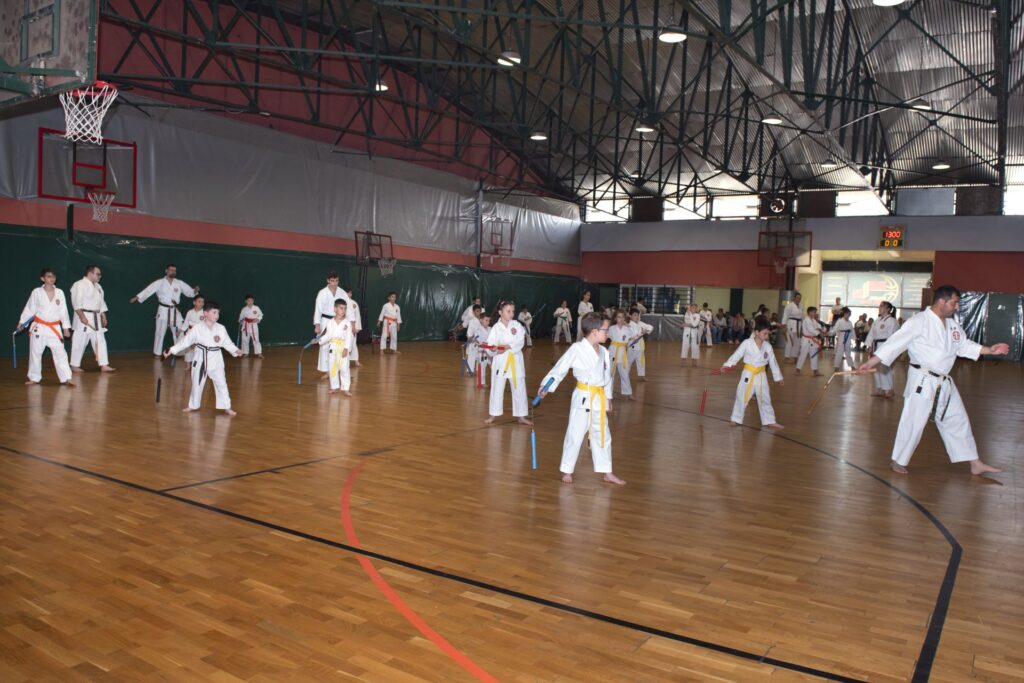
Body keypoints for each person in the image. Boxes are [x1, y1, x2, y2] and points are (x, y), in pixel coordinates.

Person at [856, 285, 1007, 475]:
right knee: (913, 421)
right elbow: (895, 342)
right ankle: (898, 460)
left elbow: (964, 346)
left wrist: (989, 349)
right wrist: (870, 362)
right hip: (922, 380)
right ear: (942, 301)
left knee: (958, 420)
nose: (957, 307)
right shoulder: (919, 321)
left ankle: (974, 463)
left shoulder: (952, 325)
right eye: (955, 302)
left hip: (944, 382)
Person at [537, 313, 626, 485]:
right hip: (583, 397)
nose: (608, 333)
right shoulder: (577, 349)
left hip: (599, 398)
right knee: (575, 434)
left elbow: (607, 377)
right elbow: (560, 368)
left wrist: (608, 398)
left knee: (603, 435)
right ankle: (567, 470)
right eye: (605, 330)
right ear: (594, 331)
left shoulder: (604, 352)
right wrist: (546, 386)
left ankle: (607, 471)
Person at [164, 300, 243, 415]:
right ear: (205, 313)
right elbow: (185, 342)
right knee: (197, 383)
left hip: (216, 358)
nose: (217, 315)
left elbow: (227, 343)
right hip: (201, 358)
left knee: (221, 383)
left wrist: (236, 350)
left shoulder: (221, 328)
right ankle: (193, 405)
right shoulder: (197, 328)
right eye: (214, 312)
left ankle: (226, 406)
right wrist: (171, 350)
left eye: (218, 313)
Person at [722, 317, 784, 429]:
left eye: (768, 334)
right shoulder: (747, 343)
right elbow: (737, 355)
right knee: (742, 396)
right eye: (765, 333)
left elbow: (773, 362)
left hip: (761, 375)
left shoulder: (768, 347)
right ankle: (736, 418)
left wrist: (778, 377)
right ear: (757, 332)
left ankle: (769, 420)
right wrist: (727, 365)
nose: (767, 336)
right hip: (748, 374)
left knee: (765, 398)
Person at [17, 267, 73, 386]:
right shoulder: (37, 292)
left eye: (53, 276)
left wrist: (66, 327)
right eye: (49, 276)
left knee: (61, 353)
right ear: (42, 279)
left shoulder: (60, 292)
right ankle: (34, 378)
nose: (52, 278)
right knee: (35, 353)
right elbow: (29, 308)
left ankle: (66, 377)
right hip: (39, 327)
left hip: (54, 328)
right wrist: (22, 322)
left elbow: (63, 311)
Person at [130, 264, 199, 356]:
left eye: (174, 270)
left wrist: (194, 291)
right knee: (160, 332)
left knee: (179, 331)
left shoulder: (179, 283)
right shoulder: (159, 282)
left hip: (174, 310)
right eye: (171, 270)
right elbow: (149, 290)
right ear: (166, 270)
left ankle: (178, 351)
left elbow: (189, 291)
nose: (173, 272)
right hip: (163, 310)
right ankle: (157, 352)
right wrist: (137, 297)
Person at [484, 300, 531, 425]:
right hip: (501, 362)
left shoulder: (517, 325)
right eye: (508, 311)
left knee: (519, 389)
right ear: (500, 312)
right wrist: (494, 350)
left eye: (513, 311)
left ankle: (521, 416)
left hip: (515, 362)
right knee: (497, 389)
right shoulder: (496, 328)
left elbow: (520, 341)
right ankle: (493, 414)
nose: (511, 314)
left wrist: (506, 346)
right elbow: (490, 345)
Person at [69, 265, 115, 373]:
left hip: (96, 317)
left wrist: (103, 315)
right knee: (80, 341)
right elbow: (76, 302)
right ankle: (74, 365)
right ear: (90, 273)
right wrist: (82, 316)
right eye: (98, 274)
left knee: (100, 340)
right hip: (84, 316)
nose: (100, 276)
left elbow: (101, 302)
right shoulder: (79, 284)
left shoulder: (98, 286)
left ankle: (104, 364)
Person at [313, 272, 348, 376]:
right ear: (328, 281)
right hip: (325, 320)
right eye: (332, 281)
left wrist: (350, 322)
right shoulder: (322, 293)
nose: (334, 283)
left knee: (338, 344)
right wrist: (317, 324)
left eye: (336, 281)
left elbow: (348, 307)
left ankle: (337, 368)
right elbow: (318, 309)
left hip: (339, 321)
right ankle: (327, 371)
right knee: (324, 345)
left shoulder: (342, 292)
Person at [319, 298, 354, 395]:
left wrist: (346, 348)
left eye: (345, 308)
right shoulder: (330, 322)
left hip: (343, 347)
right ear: (335, 309)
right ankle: (334, 387)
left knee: (344, 368)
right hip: (333, 347)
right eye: (341, 308)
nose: (343, 310)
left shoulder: (347, 323)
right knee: (332, 367)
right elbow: (328, 335)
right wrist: (319, 340)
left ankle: (346, 388)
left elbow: (348, 337)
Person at [866, 301, 899, 398]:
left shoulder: (892, 321)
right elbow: (871, 334)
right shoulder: (877, 320)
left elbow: (893, 337)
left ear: (888, 309)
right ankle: (879, 389)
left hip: (885, 346)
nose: (879, 308)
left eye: (882, 306)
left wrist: (891, 350)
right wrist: (869, 345)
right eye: (879, 306)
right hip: (876, 345)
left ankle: (889, 390)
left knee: (884, 368)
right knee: (876, 368)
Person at [607, 310, 636, 401]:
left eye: (623, 317)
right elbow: (605, 335)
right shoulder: (612, 328)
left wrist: (628, 325)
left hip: (622, 352)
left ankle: (628, 393)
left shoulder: (627, 329)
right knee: (610, 373)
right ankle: (608, 393)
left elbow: (634, 334)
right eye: (619, 317)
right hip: (613, 352)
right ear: (615, 319)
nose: (621, 319)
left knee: (625, 373)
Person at [795, 306, 823, 376]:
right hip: (806, 340)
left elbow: (819, 326)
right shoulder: (806, 320)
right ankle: (798, 369)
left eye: (815, 312)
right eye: (814, 312)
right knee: (803, 355)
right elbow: (811, 329)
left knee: (814, 355)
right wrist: (819, 334)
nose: (815, 314)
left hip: (813, 340)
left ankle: (815, 371)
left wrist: (824, 330)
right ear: (810, 312)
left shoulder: (813, 320)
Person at [627, 308, 653, 382]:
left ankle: (641, 375)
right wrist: (642, 332)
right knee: (628, 362)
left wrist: (646, 329)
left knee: (641, 362)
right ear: (630, 316)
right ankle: (625, 374)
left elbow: (650, 327)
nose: (637, 317)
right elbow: (633, 337)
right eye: (635, 315)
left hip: (640, 347)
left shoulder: (639, 323)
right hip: (632, 347)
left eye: (638, 315)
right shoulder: (629, 325)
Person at [179, 295, 205, 364]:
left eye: (202, 302)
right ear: (194, 302)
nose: (201, 303)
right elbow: (186, 323)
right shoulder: (190, 312)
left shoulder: (205, 313)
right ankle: (188, 364)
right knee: (188, 348)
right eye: (199, 301)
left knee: (199, 349)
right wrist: (181, 330)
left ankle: (197, 364)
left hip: (200, 333)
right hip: (190, 332)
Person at [464, 305, 486, 382]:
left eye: (480, 311)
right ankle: (469, 371)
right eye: (477, 311)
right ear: (473, 312)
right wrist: (472, 339)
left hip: (481, 342)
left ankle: (479, 370)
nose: (479, 312)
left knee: (480, 357)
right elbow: (469, 333)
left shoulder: (482, 320)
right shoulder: (472, 321)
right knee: (471, 357)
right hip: (473, 342)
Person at [781, 292, 803, 362]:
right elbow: (785, 315)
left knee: (797, 341)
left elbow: (801, 317)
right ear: (794, 298)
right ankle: (787, 356)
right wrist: (784, 325)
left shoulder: (801, 306)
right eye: (797, 298)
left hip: (799, 324)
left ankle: (795, 356)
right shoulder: (789, 306)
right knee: (790, 341)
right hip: (791, 324)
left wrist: (802, 327)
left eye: (800, 298)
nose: (798, 299)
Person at [346, 288, 362, 366]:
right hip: (343, 326)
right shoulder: (341, 302)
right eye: (347, 293)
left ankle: (356, 360)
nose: (349, 294)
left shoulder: (354, 303)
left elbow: (357, 316)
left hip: (352, 326)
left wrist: (357, 327)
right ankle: (344, 361)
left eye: (350, 293)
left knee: (353, 343)